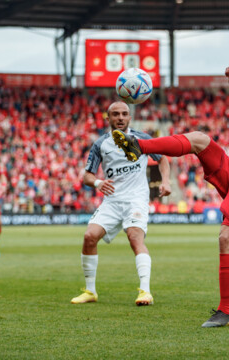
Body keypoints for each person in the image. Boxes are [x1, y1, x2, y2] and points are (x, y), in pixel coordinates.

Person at [113, 63, 229, 327]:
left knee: (227, 238)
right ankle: (139, 146)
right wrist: (225, 158)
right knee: (200, 140)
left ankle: (225, 312)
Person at [71, 101, 171, 306]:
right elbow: (87, 176)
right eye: (115, 114)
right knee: (89, 236)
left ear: (129, 118)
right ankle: (90, 291)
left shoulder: (142, 139)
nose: (120, 118)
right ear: (108, 118)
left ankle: (145, 291)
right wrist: (99, 182)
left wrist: (166, 181)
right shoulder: (100, 144)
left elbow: (162, 159)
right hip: (112, 201)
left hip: (136, 199)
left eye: (124, 114)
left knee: (135, 237)